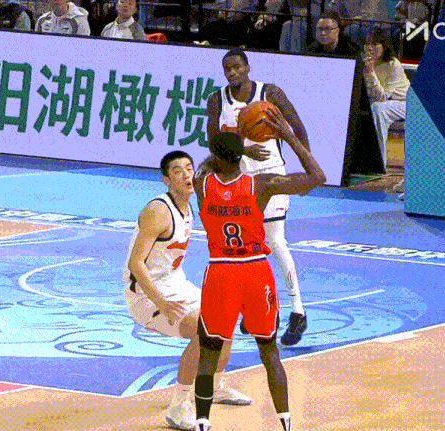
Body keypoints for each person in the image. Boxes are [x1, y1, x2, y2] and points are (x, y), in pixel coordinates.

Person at [192, 128, 326, 431]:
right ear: (239, 157)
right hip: (255, 272)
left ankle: (202, 423)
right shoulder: (261, 184)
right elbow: (317, 177)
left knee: (208, 356)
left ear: (216, 156)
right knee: (269, 353)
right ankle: (286, 424)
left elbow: (206, 163)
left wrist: (235, 151)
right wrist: (291, 139)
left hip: (221, 272)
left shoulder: (202, 183)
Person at [124, 151, 251, 431]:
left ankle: (216, 385)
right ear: (166, 179)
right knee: (205, 330)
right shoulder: (158, 211)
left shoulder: (188, 205)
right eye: (177, 170)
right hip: (146, 295)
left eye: (188, 168)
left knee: (226, 318)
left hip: (176, 284)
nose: (185, 175)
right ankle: (178, 407)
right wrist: (161, 302)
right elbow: (135, 263)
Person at [206, 47, 311, 346]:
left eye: (237, 67)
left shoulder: (270, 92)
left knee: (275, 241)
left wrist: (306, 161)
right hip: (241, 179)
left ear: (248, 67)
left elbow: (297, 127)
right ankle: (265, 307)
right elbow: (213, 141)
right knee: (250, 246)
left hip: (272, 175)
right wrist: (242, 149)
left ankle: (298, 311)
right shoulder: (217, 99)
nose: (232, 72)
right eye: (227, 68)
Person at [362, 28, 409, 177]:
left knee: (378, 108)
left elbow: (382, 97)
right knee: (375, 108)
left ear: (384, 46)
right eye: (367, 43)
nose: (369, 47)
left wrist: (370, 72)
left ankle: (379, 164)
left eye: (374, 43)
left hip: (405, 104)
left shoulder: (393, 64)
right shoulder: (362, 63)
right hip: (382, 105)